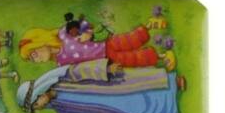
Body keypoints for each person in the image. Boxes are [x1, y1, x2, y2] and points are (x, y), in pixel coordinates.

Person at [17, 60, 183, 113]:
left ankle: (172, 83)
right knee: (137, 112)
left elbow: (84, 69)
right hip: (110, 109)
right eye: (35, 108)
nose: (39, 108)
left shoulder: (63, 78)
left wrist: (106, 69)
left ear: (38, 93)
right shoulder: (59, 107)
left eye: (35, 104)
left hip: (110, 86)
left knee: (140, 85)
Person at [19, 21, 158, 67]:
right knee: (132, 59)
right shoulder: (61, 62)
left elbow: (84, 24)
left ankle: (150, 26)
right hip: (106, 59)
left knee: (130, 39)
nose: (36, 59)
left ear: (40, 42)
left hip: (105, 44)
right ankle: (159, 56)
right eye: (32, 59)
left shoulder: (63, 33)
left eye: (33, 54)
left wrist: (87, 33)